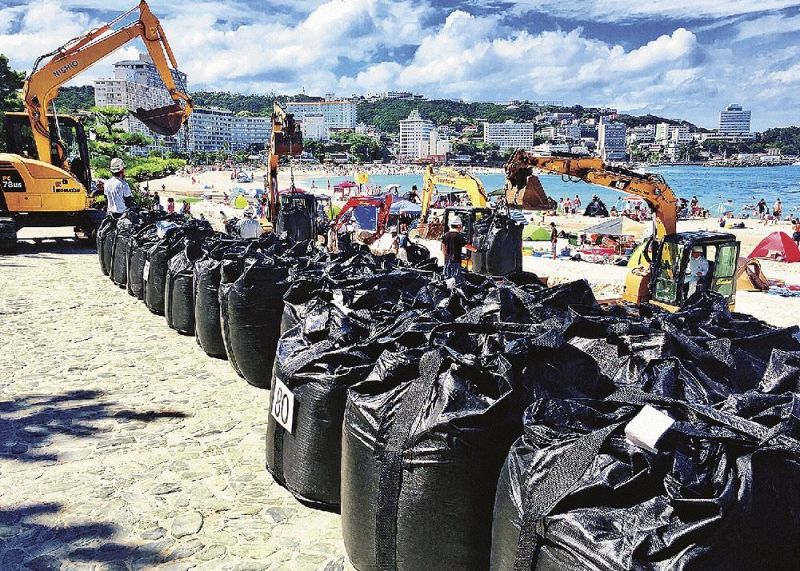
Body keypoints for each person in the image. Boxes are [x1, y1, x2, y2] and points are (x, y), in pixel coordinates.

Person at [441, 218, 474, 282]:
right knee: (456, 280)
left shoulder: (446, 235)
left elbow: (443, 248)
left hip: (447, 261)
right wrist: (477, 250)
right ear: (459, 226)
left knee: (447, 279)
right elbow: (467, 246)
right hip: (456, 261)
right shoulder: (459, 236)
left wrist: (447, 257)